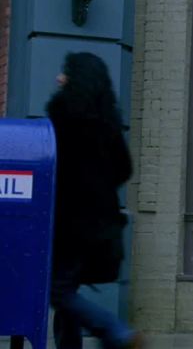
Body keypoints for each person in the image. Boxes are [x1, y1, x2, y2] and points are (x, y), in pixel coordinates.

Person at [46, 52, 143, 349]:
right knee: (67, 291)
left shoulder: (61, 115)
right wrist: (99, 190)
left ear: (77, 79)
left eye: (66, 72)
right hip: (100, 224)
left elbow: (51, 168)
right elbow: (125, 168)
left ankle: (116, 331)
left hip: (68, 223)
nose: (59, 78)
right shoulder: (108, 121)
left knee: (57, 291)